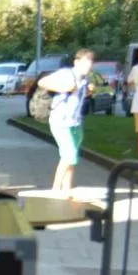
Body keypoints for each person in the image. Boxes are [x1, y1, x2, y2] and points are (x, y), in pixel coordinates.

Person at [38, 48, 95, 192]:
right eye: (85, 62)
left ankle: (67, 189)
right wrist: (63, 87)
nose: (88, 66)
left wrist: (89, 91)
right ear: (76, 62)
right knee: (69, 154)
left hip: (76, 122)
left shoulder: (85, 79)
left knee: (71, 157)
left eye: (90, 62)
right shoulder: (66, 73)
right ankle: (56, 189)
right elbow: (42, 82)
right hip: (60, 121)